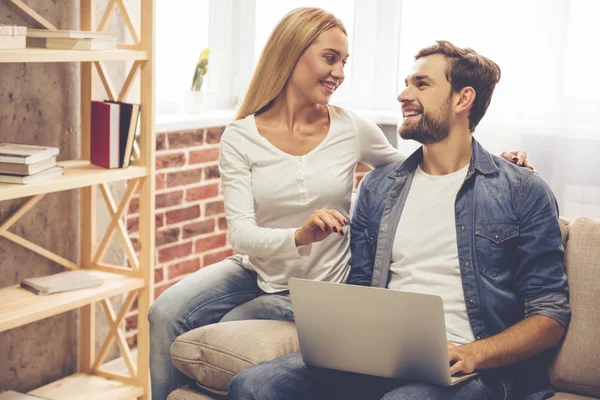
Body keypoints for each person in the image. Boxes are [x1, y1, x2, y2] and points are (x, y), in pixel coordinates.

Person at [148, 8, 531, 399]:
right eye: (330, 58)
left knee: (229, 328)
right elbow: (241, 233)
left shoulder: (350, 128)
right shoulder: (240, 137)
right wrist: (299, 234)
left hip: (320, 282)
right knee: (165, 312)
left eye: (344, 62)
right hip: (259, 266)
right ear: (291, 53)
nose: (340, 73)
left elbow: (422, 166)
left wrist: (493, 165)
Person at [226, 40, 570, 400]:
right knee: (252, 386)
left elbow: (550, 317)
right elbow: (360, 288)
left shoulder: (521, 190)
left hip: (474, 371)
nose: (403, 95)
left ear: (462, 99)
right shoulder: (378, 187)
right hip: (378, 360)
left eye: (421, 84)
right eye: (407, 83)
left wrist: (472, 354)